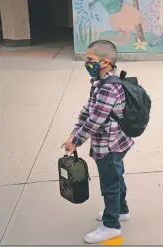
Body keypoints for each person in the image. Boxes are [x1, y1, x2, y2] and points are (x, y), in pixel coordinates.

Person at [61, 40, 134, 244]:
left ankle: (111, 226)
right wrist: (74, 133)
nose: (87, 63)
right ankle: (122, 210)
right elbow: (88, 110)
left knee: (110, 184)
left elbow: (95, 120)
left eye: (91, 59)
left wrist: (76, 140)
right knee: (117, 176)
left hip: (109, 145)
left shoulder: (108, 88)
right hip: (116, 142)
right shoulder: (100, 83)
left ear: (105, 62)